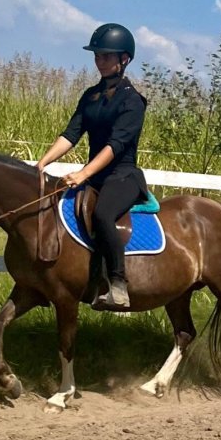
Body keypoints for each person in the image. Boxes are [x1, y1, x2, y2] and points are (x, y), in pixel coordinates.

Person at [37, 23, 148, 309]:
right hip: (97, 176)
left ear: (124, 59)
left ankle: (118, 284)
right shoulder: (91, 96)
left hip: (122, 176)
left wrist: (84, 173)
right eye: (97, 56)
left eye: (107, 56)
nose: (100, 61)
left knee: (102, 214)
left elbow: (116, 145)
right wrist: (42, 162)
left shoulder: (132, 101)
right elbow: (70, 134)